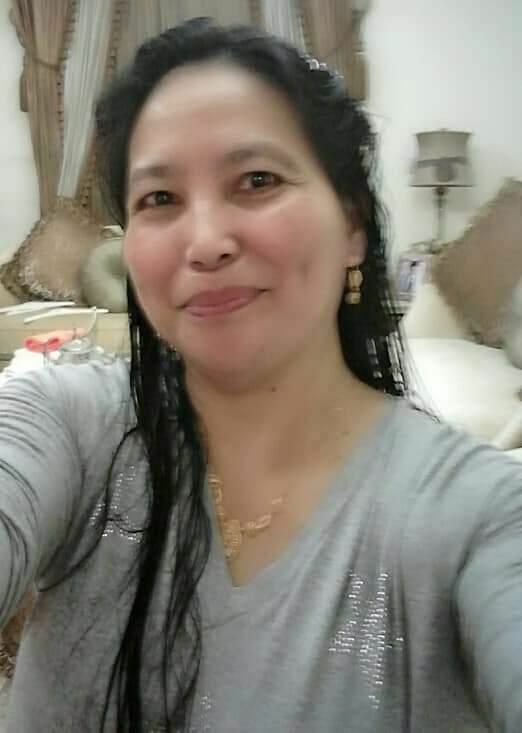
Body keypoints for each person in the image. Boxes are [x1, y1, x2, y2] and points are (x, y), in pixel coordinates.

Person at [0, 17, 520, 733]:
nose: (206, 242)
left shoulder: (475, 512)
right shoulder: (67, 418)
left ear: (353, 226)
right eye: (159, 199)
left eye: (257, 180)